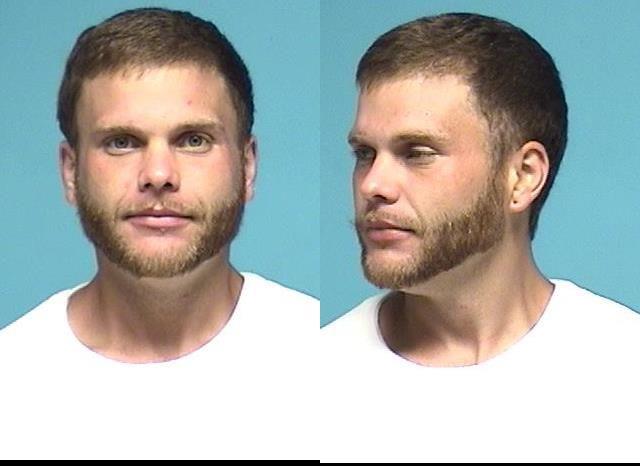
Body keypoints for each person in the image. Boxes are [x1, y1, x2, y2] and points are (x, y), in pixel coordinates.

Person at [0, 7, 317, 459]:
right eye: (121, 142)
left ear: (247, 167)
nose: (159, 174)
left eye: (193, 140)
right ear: (71, 172)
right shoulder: (9, 382)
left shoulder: (327, 359)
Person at [322, 13, 640, 461]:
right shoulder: (308, 386)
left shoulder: (626, 372)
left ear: (522, 176)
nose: (374, 184)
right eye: (364, 153)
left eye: (417, 153)